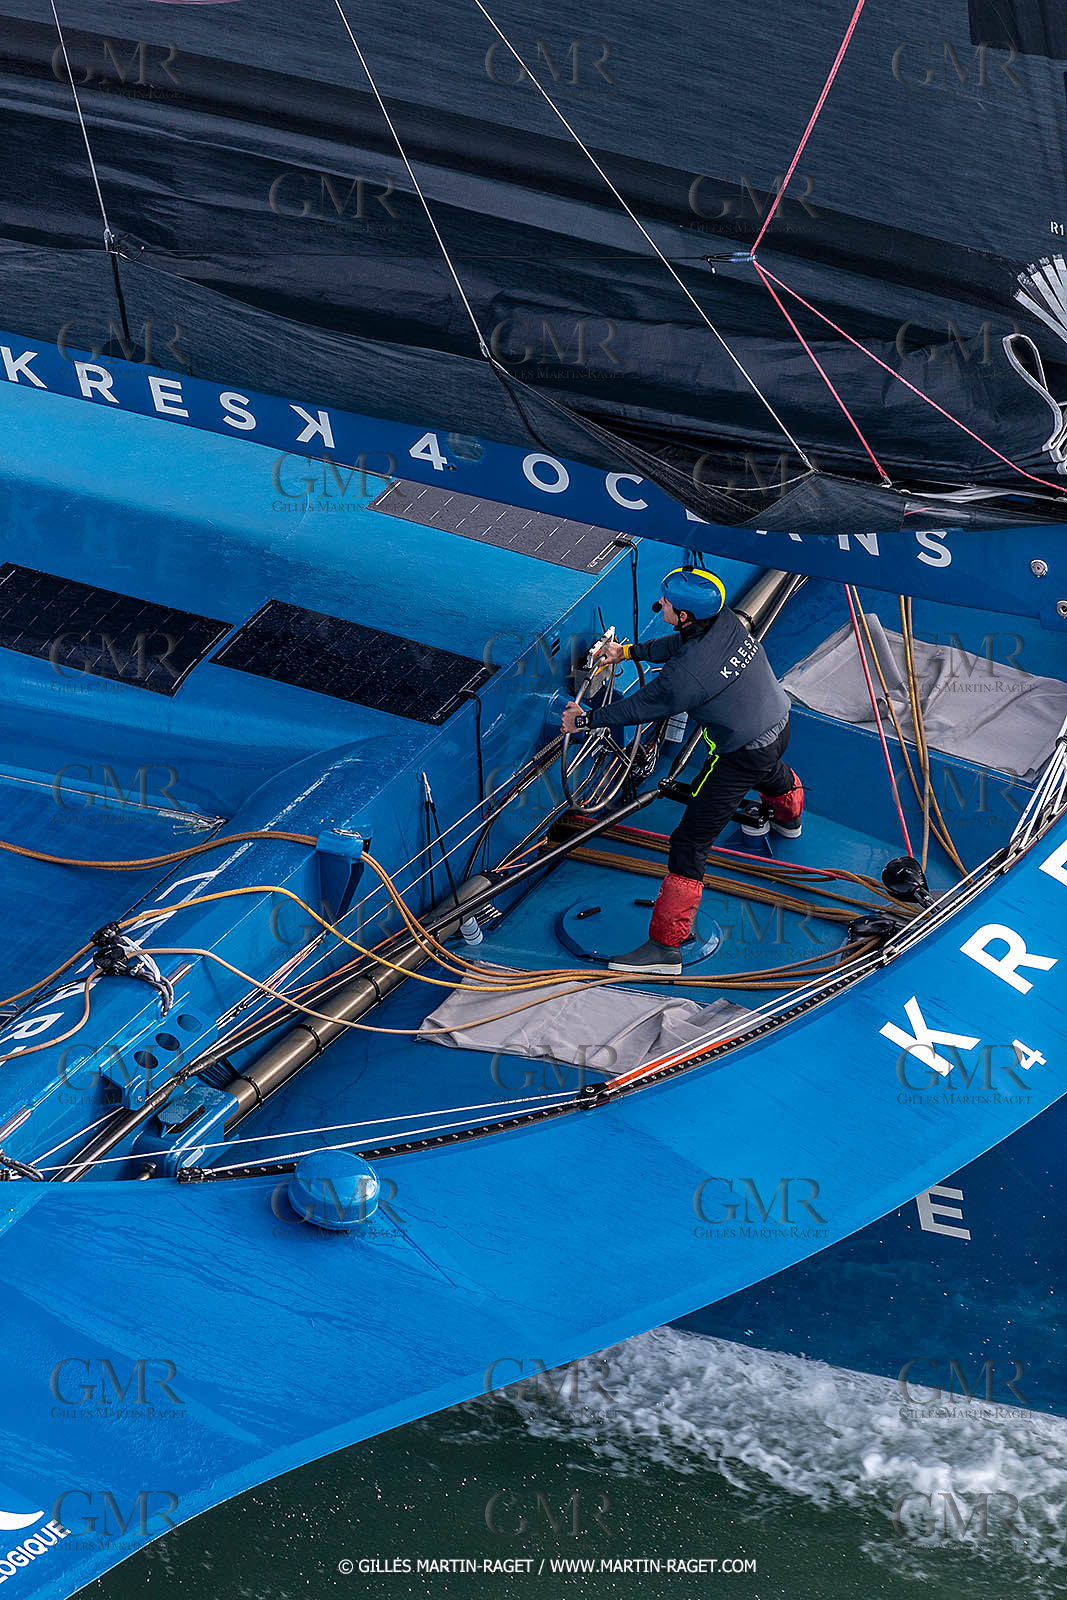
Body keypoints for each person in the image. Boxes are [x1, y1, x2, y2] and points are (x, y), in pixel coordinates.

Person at [561, 565, 803, 976]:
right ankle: (790, 818)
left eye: (668, 604)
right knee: (770, 769)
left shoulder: (685, 677)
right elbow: (682, 645)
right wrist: (628, 652)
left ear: (686, 614)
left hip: (741, 753)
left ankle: (666, 948)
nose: (661, 606)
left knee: (689, 842)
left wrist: (583, 721)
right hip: (779, 723)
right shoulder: (726, 621)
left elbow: (640, 706)